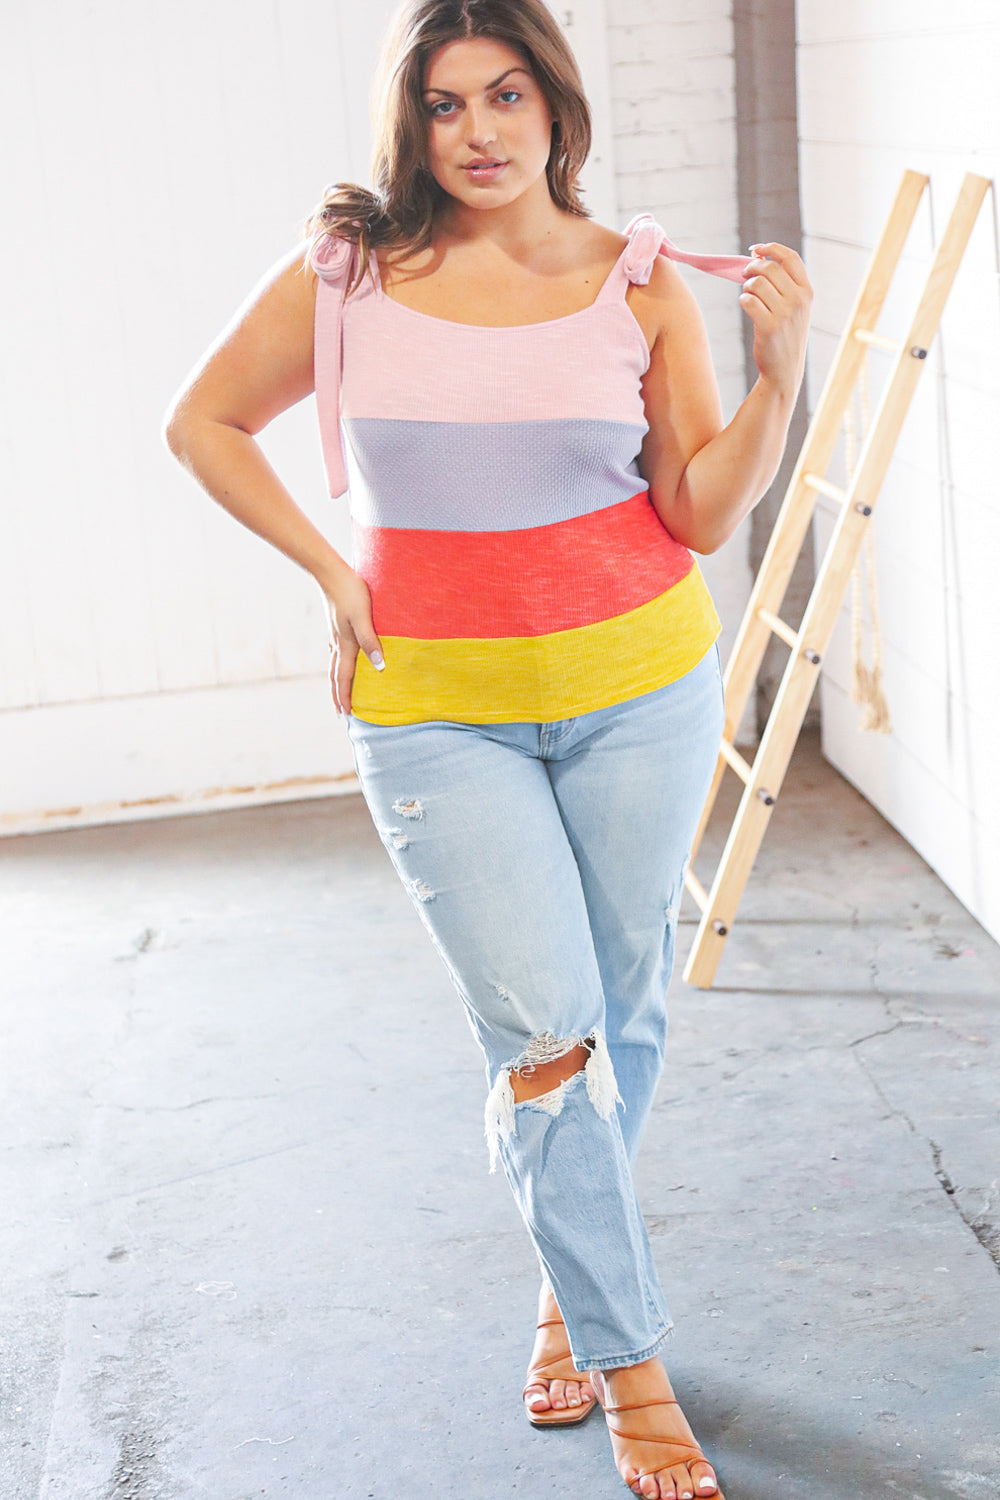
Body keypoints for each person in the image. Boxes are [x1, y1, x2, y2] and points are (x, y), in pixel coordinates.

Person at [163, 2, 811, 1494]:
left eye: (507, 95)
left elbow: (699, 513)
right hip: (436, 715)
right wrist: (335, 576)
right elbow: (202, 423)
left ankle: (569, 1290)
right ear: (413, 124)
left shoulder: (639, 281)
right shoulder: (350, 273)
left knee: (623, 1003)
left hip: (642, 688)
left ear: (556, 107)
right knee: (547, 1035)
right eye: (446, 104)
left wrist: (779, 377)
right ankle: (634, 1366)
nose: (479, 132)